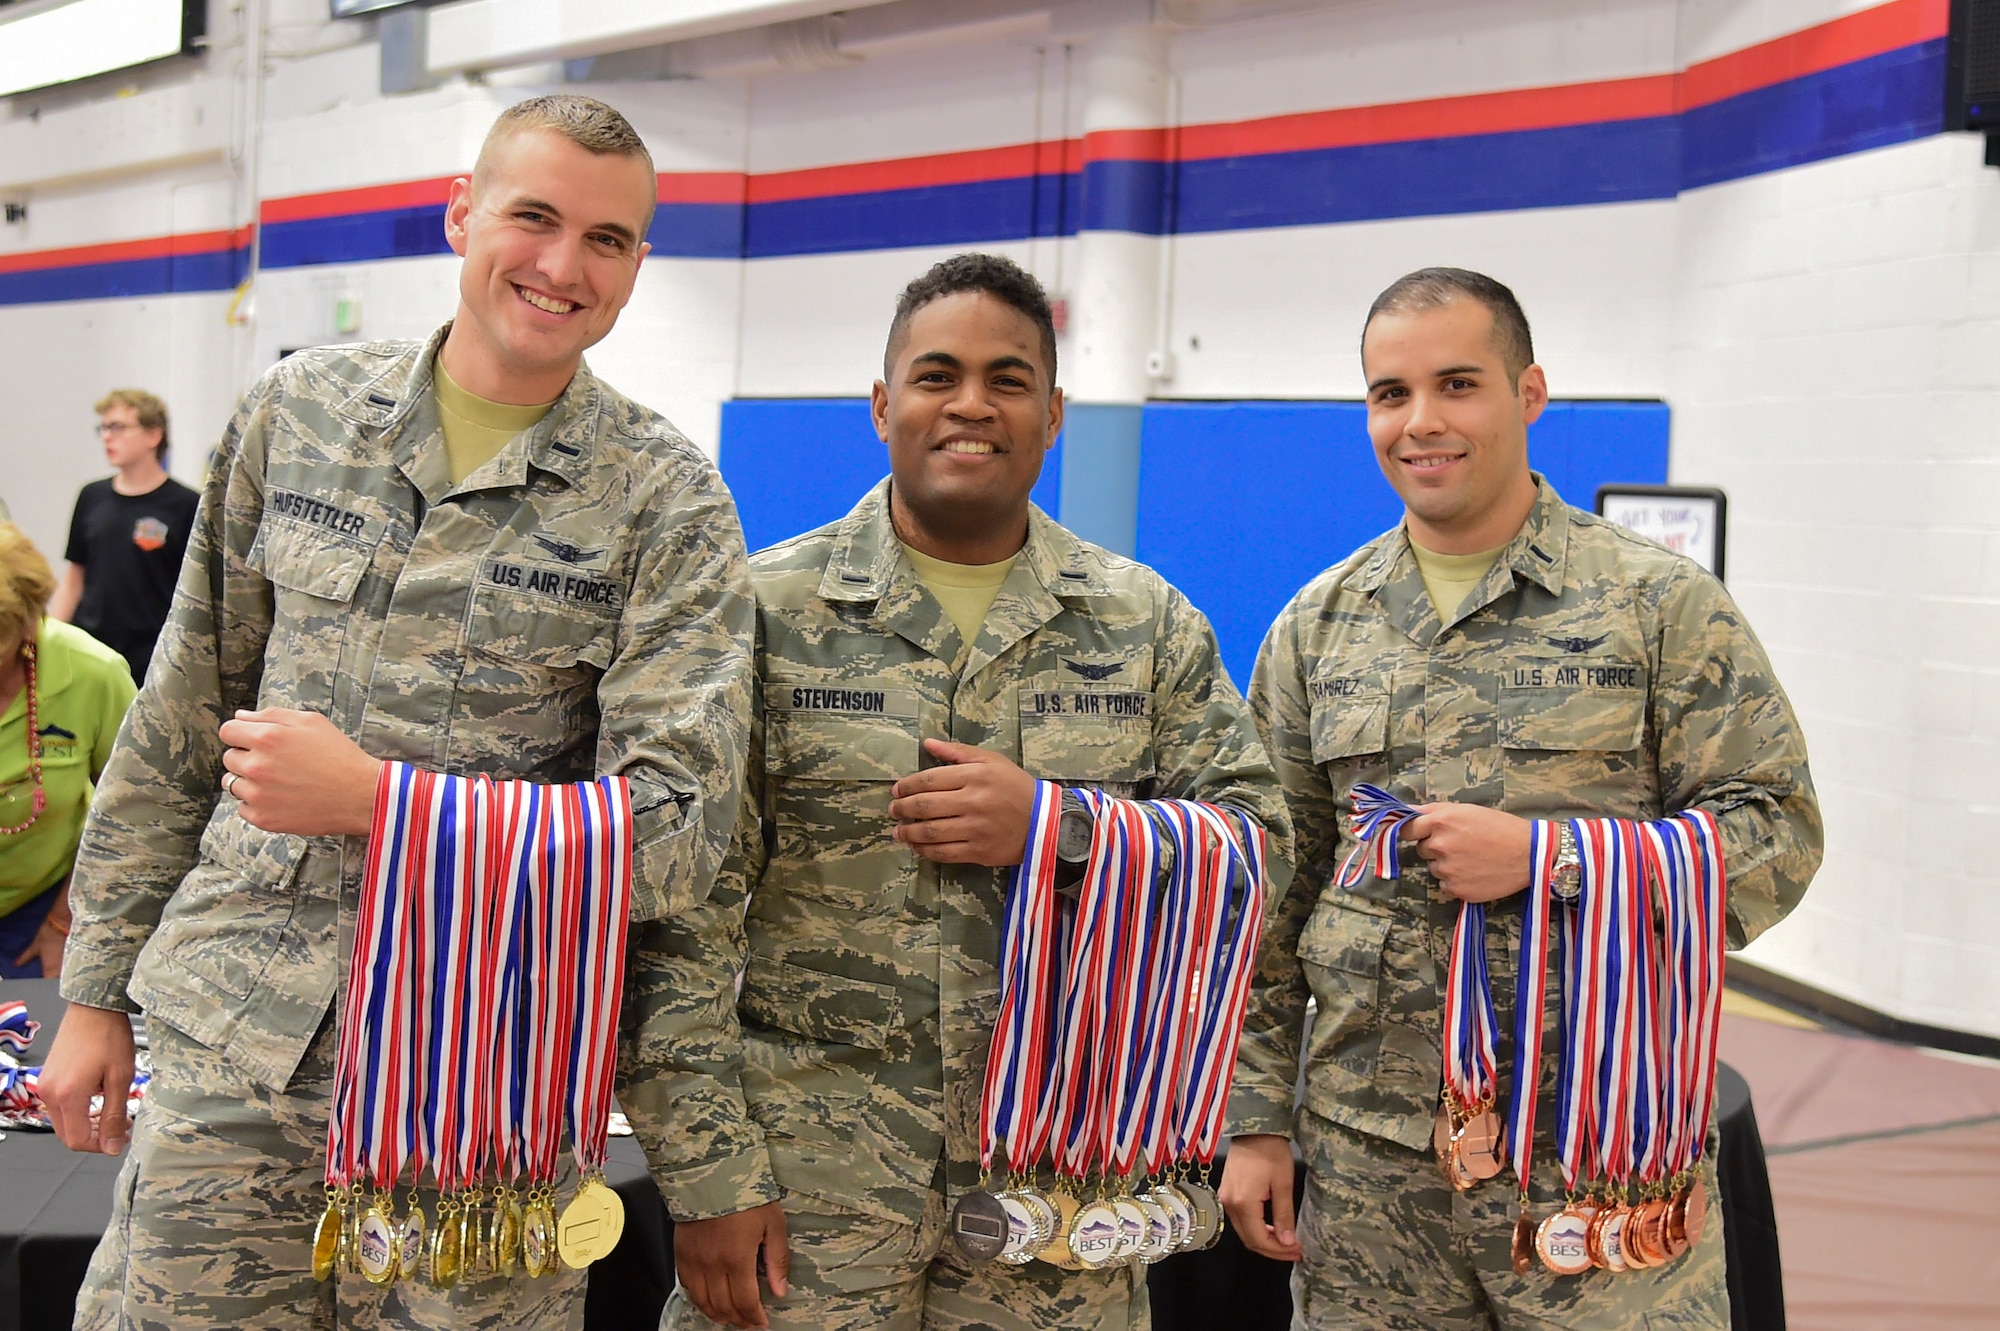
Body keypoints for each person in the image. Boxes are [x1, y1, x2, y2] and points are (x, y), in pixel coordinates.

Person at [37, 94, 755, 1331]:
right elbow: (178, 713)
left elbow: (679, 835)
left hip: (488, 1082)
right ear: (460, 213)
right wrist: (96, 989)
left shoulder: (667, 504)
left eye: (608, 240)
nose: (561, 265)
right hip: (237, 1049)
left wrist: (382, 803)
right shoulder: (295, 414)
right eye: (533, 217)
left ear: (637, 264)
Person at [623, 252, 1293, 1331]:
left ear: (1054, 413)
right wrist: (707, 1173)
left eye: (1007, 378)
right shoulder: (762, 613)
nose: (970, 404)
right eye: (936, 375)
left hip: (1059, 1180)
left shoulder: (1143, 622)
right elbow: (677, 910)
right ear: (882, 404)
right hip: (808, 1179)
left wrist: (1057, 825)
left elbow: (1257, 849)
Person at [1220, 267, 1822, 1329]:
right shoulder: (1318, 625)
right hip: (1371, 1173)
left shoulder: (1655, 605)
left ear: (1527, 392)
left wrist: (1553, 859)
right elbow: (1265, 898)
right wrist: (1256, 1117)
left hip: (1597, 1158)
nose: (1420, 422)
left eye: (1456, 383)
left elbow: (1775, 833)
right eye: (1388, 393)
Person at [0, 523, 136, 979]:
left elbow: (133, 815)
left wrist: (63, 922)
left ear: (25, 627)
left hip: (40, 911)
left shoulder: (94, 673)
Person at [49, 388, 201, 684]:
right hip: (90, 651)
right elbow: (74, 579)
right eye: (103, 428)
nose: (107, 436)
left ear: (153, 435)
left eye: (117, 427)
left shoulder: (187, 505)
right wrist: (49, 637)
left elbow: (193, 595)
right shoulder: (92, 496)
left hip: (152, 661)